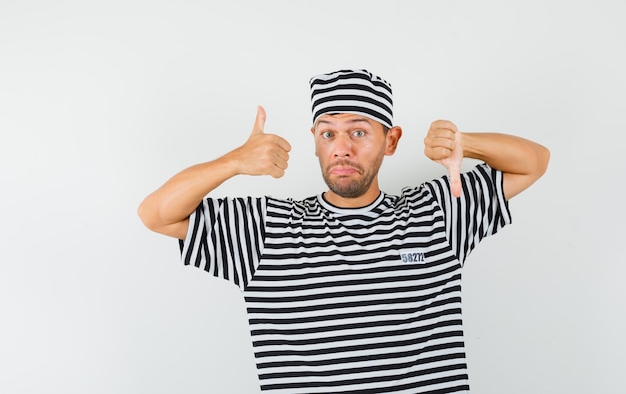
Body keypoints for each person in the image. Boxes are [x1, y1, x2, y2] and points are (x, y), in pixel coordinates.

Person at [138, 69, 549, 393]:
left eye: (358, 132)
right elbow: (157, 214)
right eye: (328, 133)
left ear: (391, 141)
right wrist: (232, 163)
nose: (342, 148)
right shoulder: (264, 228)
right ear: (315, 142)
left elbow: (534, 162)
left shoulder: (436, 212)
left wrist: (467, 142)